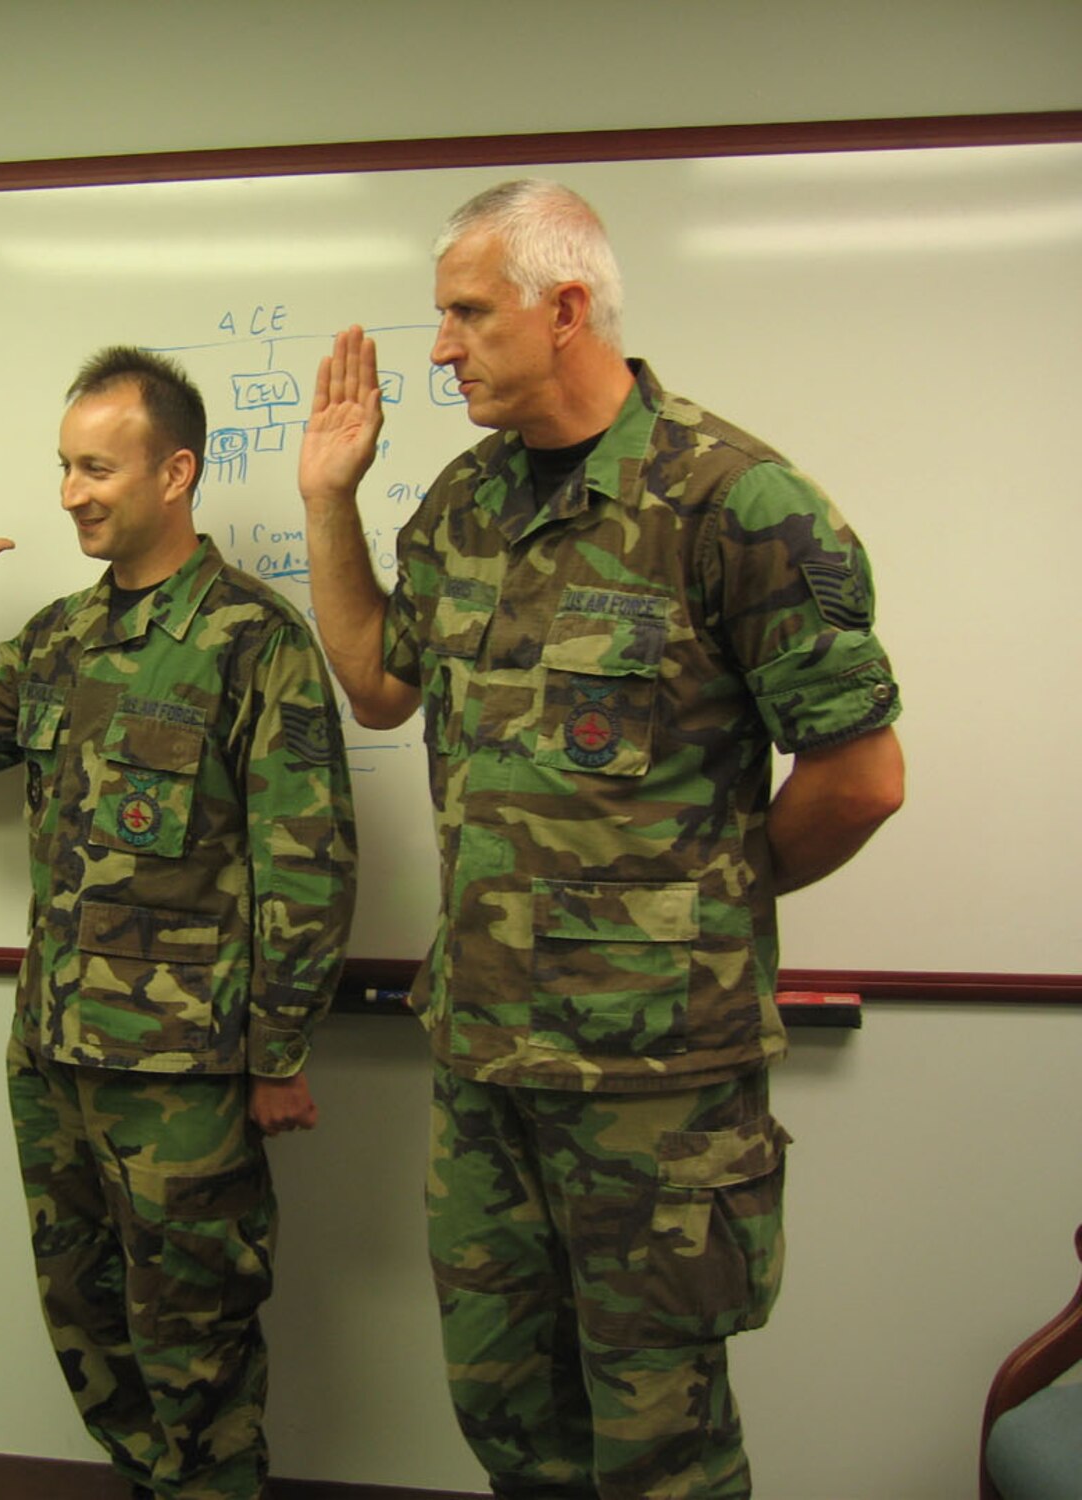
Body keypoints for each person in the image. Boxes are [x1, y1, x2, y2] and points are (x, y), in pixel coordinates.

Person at [295, 181, 905, 1499]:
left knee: (658, 1447)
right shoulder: (464, 507)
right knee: (509, 1417)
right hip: (486, 1066)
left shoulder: (737, 508)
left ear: (563, 307)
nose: (442, 346)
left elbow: (860, 778)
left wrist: (709, 897)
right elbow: (379, 685)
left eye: (466, 312)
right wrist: (328, 503)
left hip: (656, 1089)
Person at [0, 347, 358, 1500]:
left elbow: (305, 863)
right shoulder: (61, 637)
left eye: (95, 468)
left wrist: (277, 1053)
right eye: (63, 468)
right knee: (86, 1320)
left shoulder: (253, 639)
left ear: (175, 472)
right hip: (53, 1055)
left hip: (184, 1077)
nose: (69, 494)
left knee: (193, 1337)